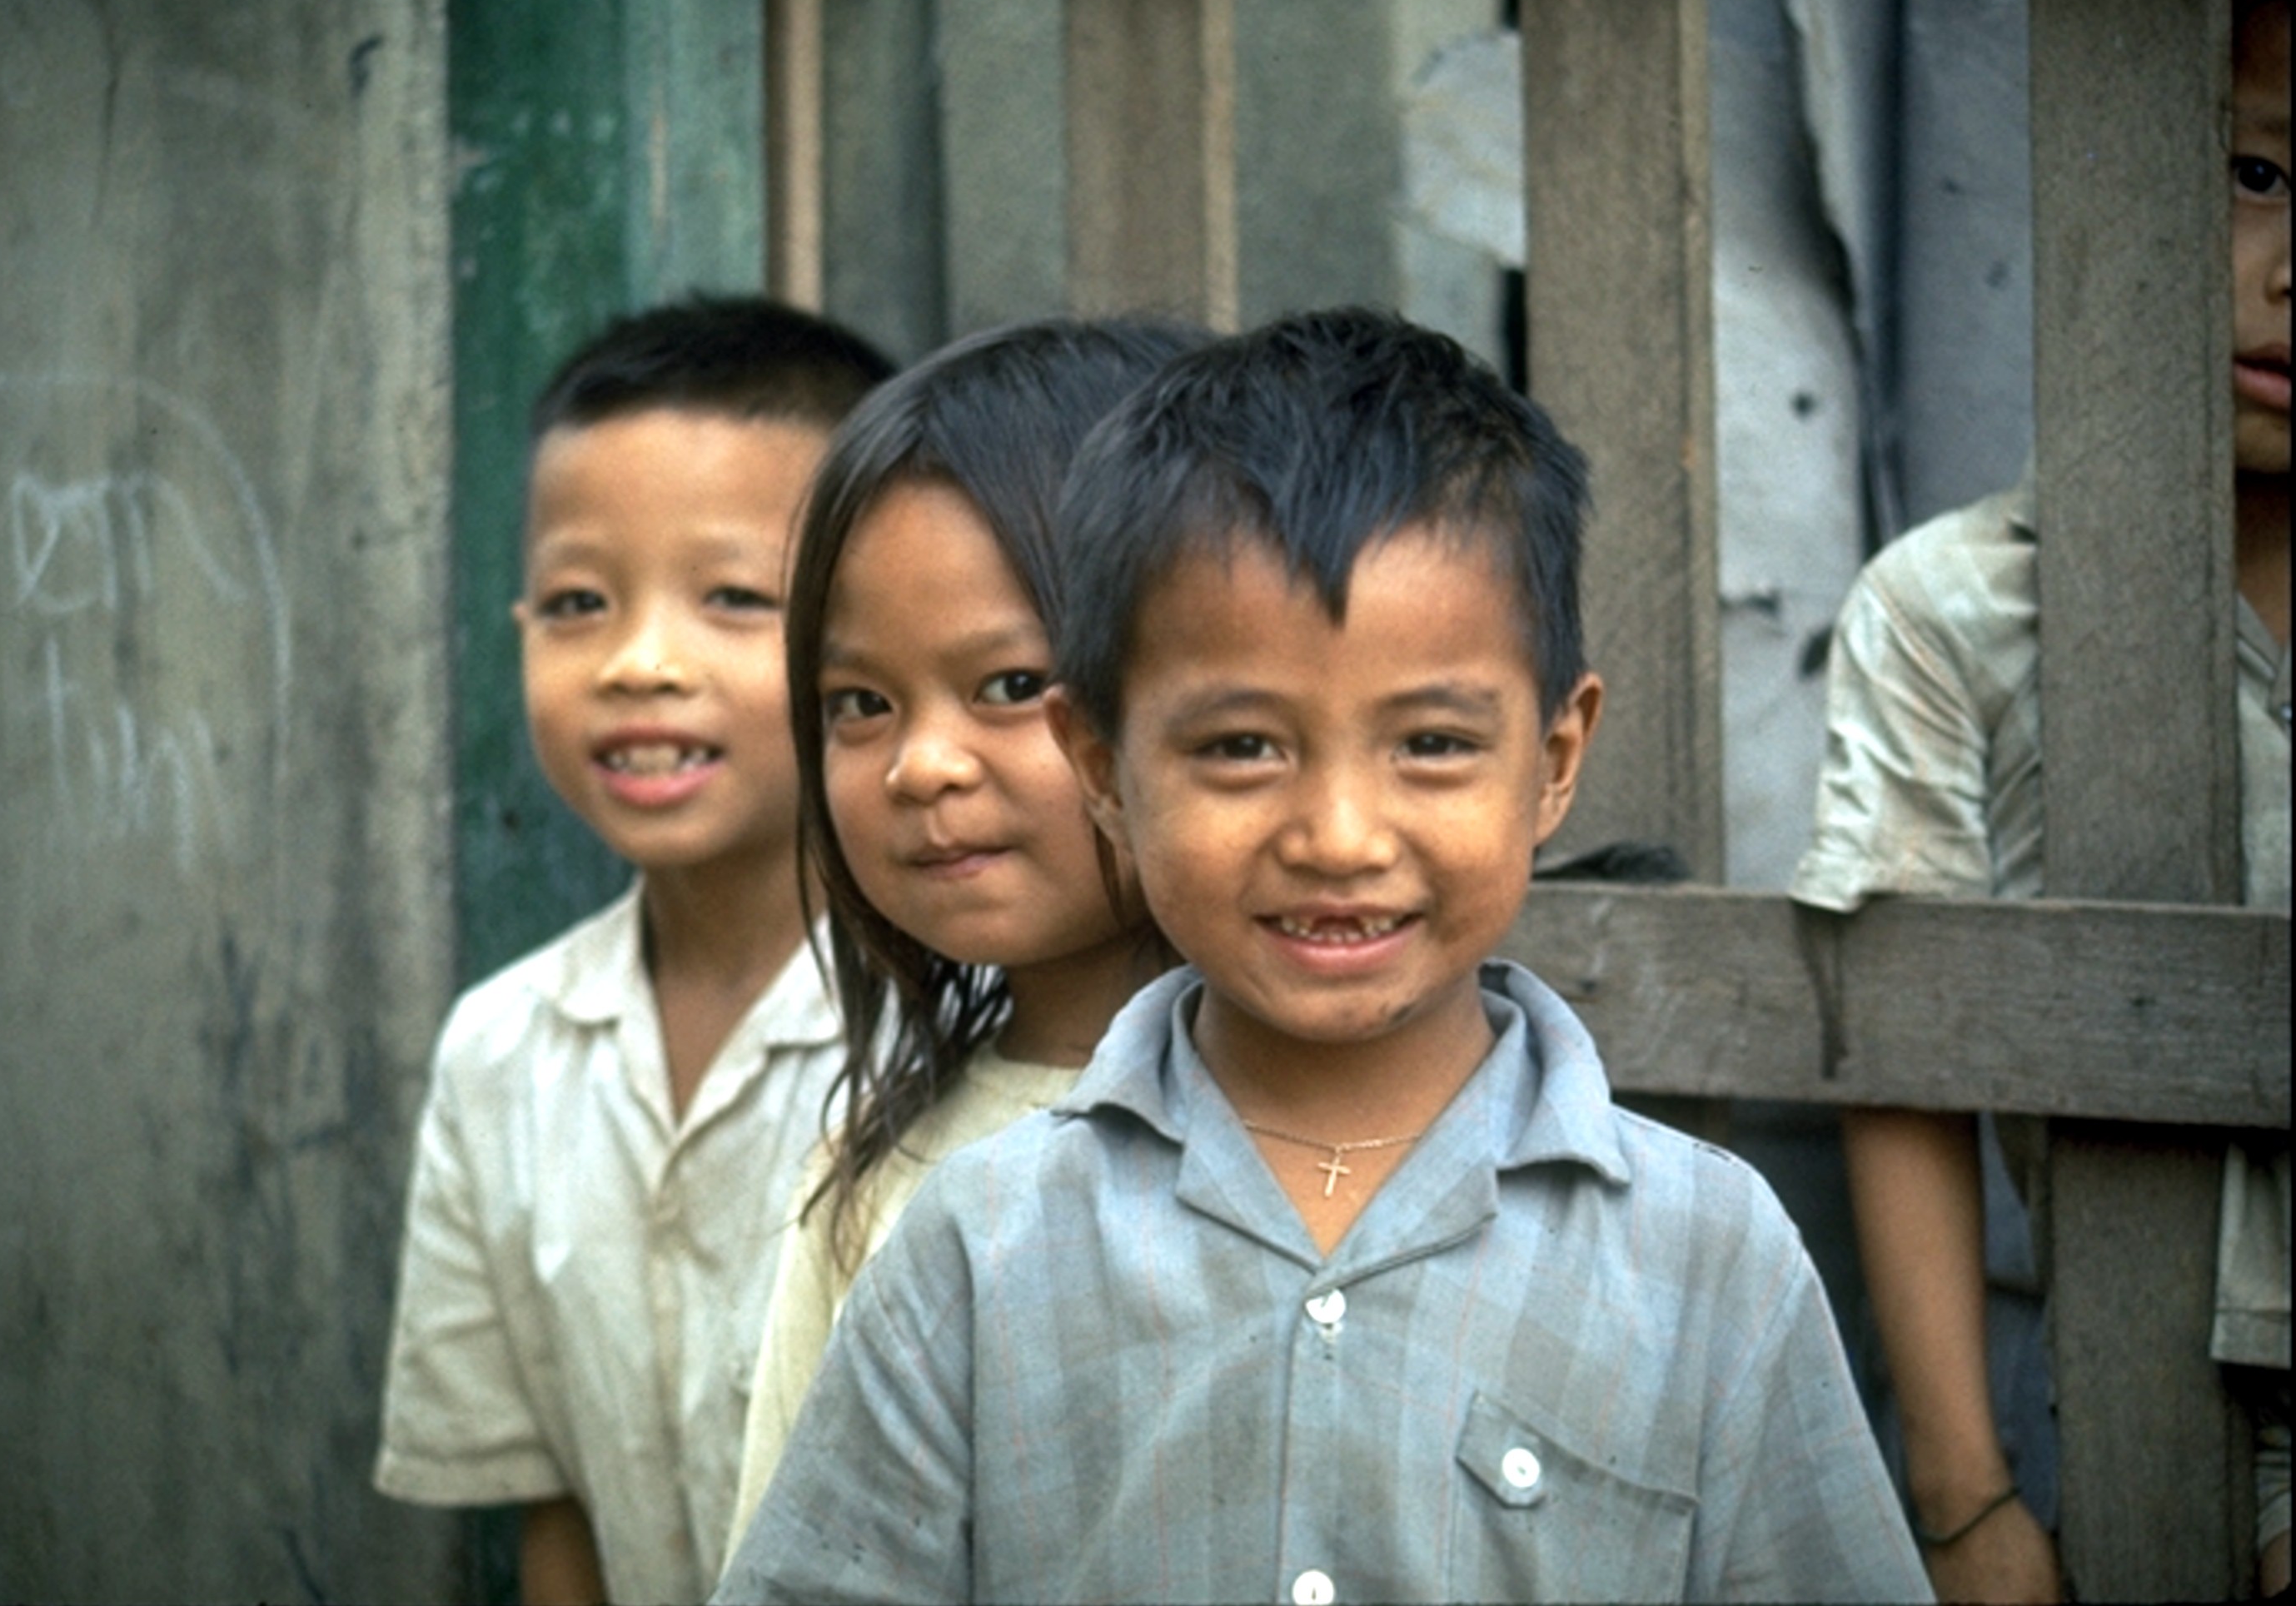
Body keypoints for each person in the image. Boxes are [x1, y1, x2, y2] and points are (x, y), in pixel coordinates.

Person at [717, 307, 1930, 1604]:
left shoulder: (1706, 1257)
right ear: (1104, 767)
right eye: (1243, 746)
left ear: (1557, 759)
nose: (1340, 838)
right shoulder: (976, 1243)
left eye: (1432, 746)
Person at [1795, 0, 2290, 1601]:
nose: (2288, 273)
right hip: (2152, 1399)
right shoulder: (1954, 608)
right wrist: (1959, 1502)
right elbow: (1905, 1046)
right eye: (2256, 177)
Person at [371, 297, 892, 1605]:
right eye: (578, 603)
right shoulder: (502, 1054)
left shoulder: (975, 1039)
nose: (639, 662)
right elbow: (562, 1519)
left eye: (731, 597)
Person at [724, 319, 1203, 1549]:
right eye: (861, 705)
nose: (921, 766)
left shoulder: (1356, 1131)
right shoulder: (875, 1189)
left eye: (1006, 686)